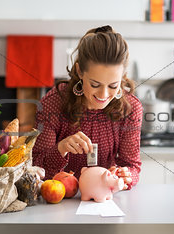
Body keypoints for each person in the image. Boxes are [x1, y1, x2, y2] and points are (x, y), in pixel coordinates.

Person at [32, 25, 143, 190]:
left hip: (104, 199)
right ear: (80, 71)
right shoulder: (53, 103)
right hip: (59, 199)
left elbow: (132, 166)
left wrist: (124, 175)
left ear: (122, 77)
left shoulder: (131, 108)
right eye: (95, 84)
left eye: (113, 85)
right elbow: (35, 167)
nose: (104, 94)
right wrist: (61, 148)